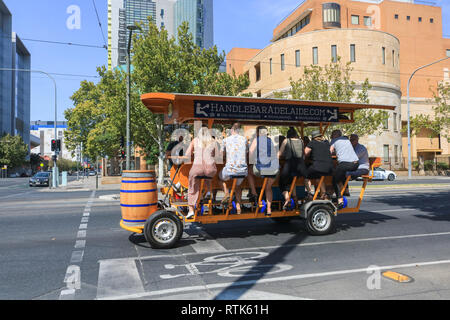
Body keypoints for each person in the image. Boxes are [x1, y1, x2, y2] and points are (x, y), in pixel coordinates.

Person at [185, 127, 217, 218]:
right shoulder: (213, 141)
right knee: (207, 175)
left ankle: (191, 210)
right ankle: (208, 192)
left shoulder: (195, 140)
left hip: (197, 168)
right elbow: (215, 155)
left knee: (192, 186)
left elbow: (187, 154)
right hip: (211, 169)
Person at [249, 126, 279, 216]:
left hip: (262, 168)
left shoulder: (256, 140)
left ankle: (254, 193)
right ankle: (269, 209)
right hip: (273, 169)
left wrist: (253, 160)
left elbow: (250, 152)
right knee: (268, 188)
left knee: (249, 172)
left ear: (258, 133)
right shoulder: (270, 140)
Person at [219, 123, 248, 214]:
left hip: (230, 170)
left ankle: (226, 193)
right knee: (238, 186)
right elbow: (247, 152)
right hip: (243, 171)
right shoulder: (244, 140)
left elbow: (221, 155)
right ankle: (238, 206)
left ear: (232, 130)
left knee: (220, 178)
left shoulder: (226, 140)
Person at [278, 127, 307, 209]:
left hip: (290, 165)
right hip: (301, 167)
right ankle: (308, 193)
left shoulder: (286, 141)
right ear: (296, 134)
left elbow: (279, 154)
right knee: (295, 179)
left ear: (288, 135)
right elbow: (303, 154)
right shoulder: (301, 141)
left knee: (282, 181)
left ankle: (287, 198)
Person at [330, 130, 359, 208]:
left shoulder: (334, 141)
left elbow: (330, 152)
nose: (331, 136)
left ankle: (339, 199)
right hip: (355, 164)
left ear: (334, 135)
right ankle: (346, 190)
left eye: (332, 134)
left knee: (334, 180)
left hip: (345, 164)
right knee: (341, 175)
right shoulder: (346, 140)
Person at [304, 130, 334, 200]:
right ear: (320, 136)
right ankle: (323, 194)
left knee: (306, 175)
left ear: (313, 137)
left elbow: (305, 153)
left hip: (318, 167)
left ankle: (309, 193)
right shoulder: (326, 142)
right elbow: (329, 152)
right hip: (329, 168)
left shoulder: (312, 143)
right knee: (319, 177)